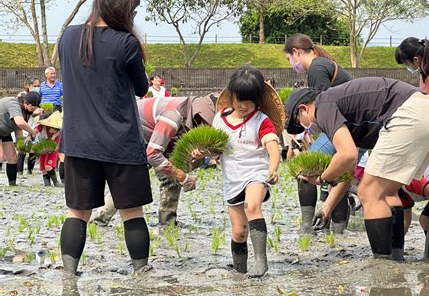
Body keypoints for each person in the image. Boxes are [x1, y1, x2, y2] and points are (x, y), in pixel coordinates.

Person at [285, 77, 429, 260]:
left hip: (412, 114)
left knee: (369, 192)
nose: (306, 128)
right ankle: (395, 257)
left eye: (300, 122)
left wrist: (323, 177)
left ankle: (382, 264)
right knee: (387, 192)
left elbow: (348, 154)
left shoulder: (324, 106)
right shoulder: (345, 111)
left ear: (303, 109)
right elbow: (349, 169)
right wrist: (327, 208)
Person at [58, 0, 152, 275]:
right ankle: (140, 270)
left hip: (78, 142)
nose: (133, 17)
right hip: (120, 142)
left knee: (77, 212)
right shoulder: (126, 43)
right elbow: (141, 88)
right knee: (131, 211)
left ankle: (69, 273)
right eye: (132, 11)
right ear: (121, 9)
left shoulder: (68, 38)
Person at [93, 93, 218, 226]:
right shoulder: (173, 116)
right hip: (132, 135)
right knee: (129, 181)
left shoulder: (191, 117)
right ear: (198, 116)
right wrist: (183, 177)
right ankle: (99, 219)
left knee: (171, 177)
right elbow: (152, 154)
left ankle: (167, 222)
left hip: (155, 139)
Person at [207, 66, 284, 278]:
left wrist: (273, 169)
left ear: (258, 100)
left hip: (256, 173)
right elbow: (214, 149)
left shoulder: (261, 120)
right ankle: (240, 271)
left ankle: (260, 262)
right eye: (240, 99)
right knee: (239, 231)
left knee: (252, 206)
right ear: (232, 97)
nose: (244, 105)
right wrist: (200, 152)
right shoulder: (220, 119)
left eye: (250, 101)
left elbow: (272, 149)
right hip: (232, 178)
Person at [283, 33, 353, 234]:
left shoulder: (316, 68)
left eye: (289, 59)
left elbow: (320, 107)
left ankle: (308, 226)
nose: (291, 64)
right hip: (348, 126)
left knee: (304, 169)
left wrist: (301, 136)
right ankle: (339, 231)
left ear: (296, 52)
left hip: (342, 127)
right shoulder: (323, 64)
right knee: (338, 175)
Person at [0, 92, 41, 186]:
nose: (32, 111)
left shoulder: (23, 112)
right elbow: (20, 123)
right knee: (1, 156)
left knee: (12, 157)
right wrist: (32, 132)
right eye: (32, 108)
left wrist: (22, 145)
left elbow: (18, 130)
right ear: (26, 103)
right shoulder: (13, 103)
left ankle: (12, 184)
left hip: (4, 132)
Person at [36, 111, 63, 187]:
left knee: (48, 166)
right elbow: (33, 132)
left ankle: (56, 183)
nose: (52, 130)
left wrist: (51, 149)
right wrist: (28, 138)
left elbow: (57, 147)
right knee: (43, 169)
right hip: (42, 148)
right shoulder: (42, 127)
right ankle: (47, 184)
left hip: (52, 150)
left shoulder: (58, 133)